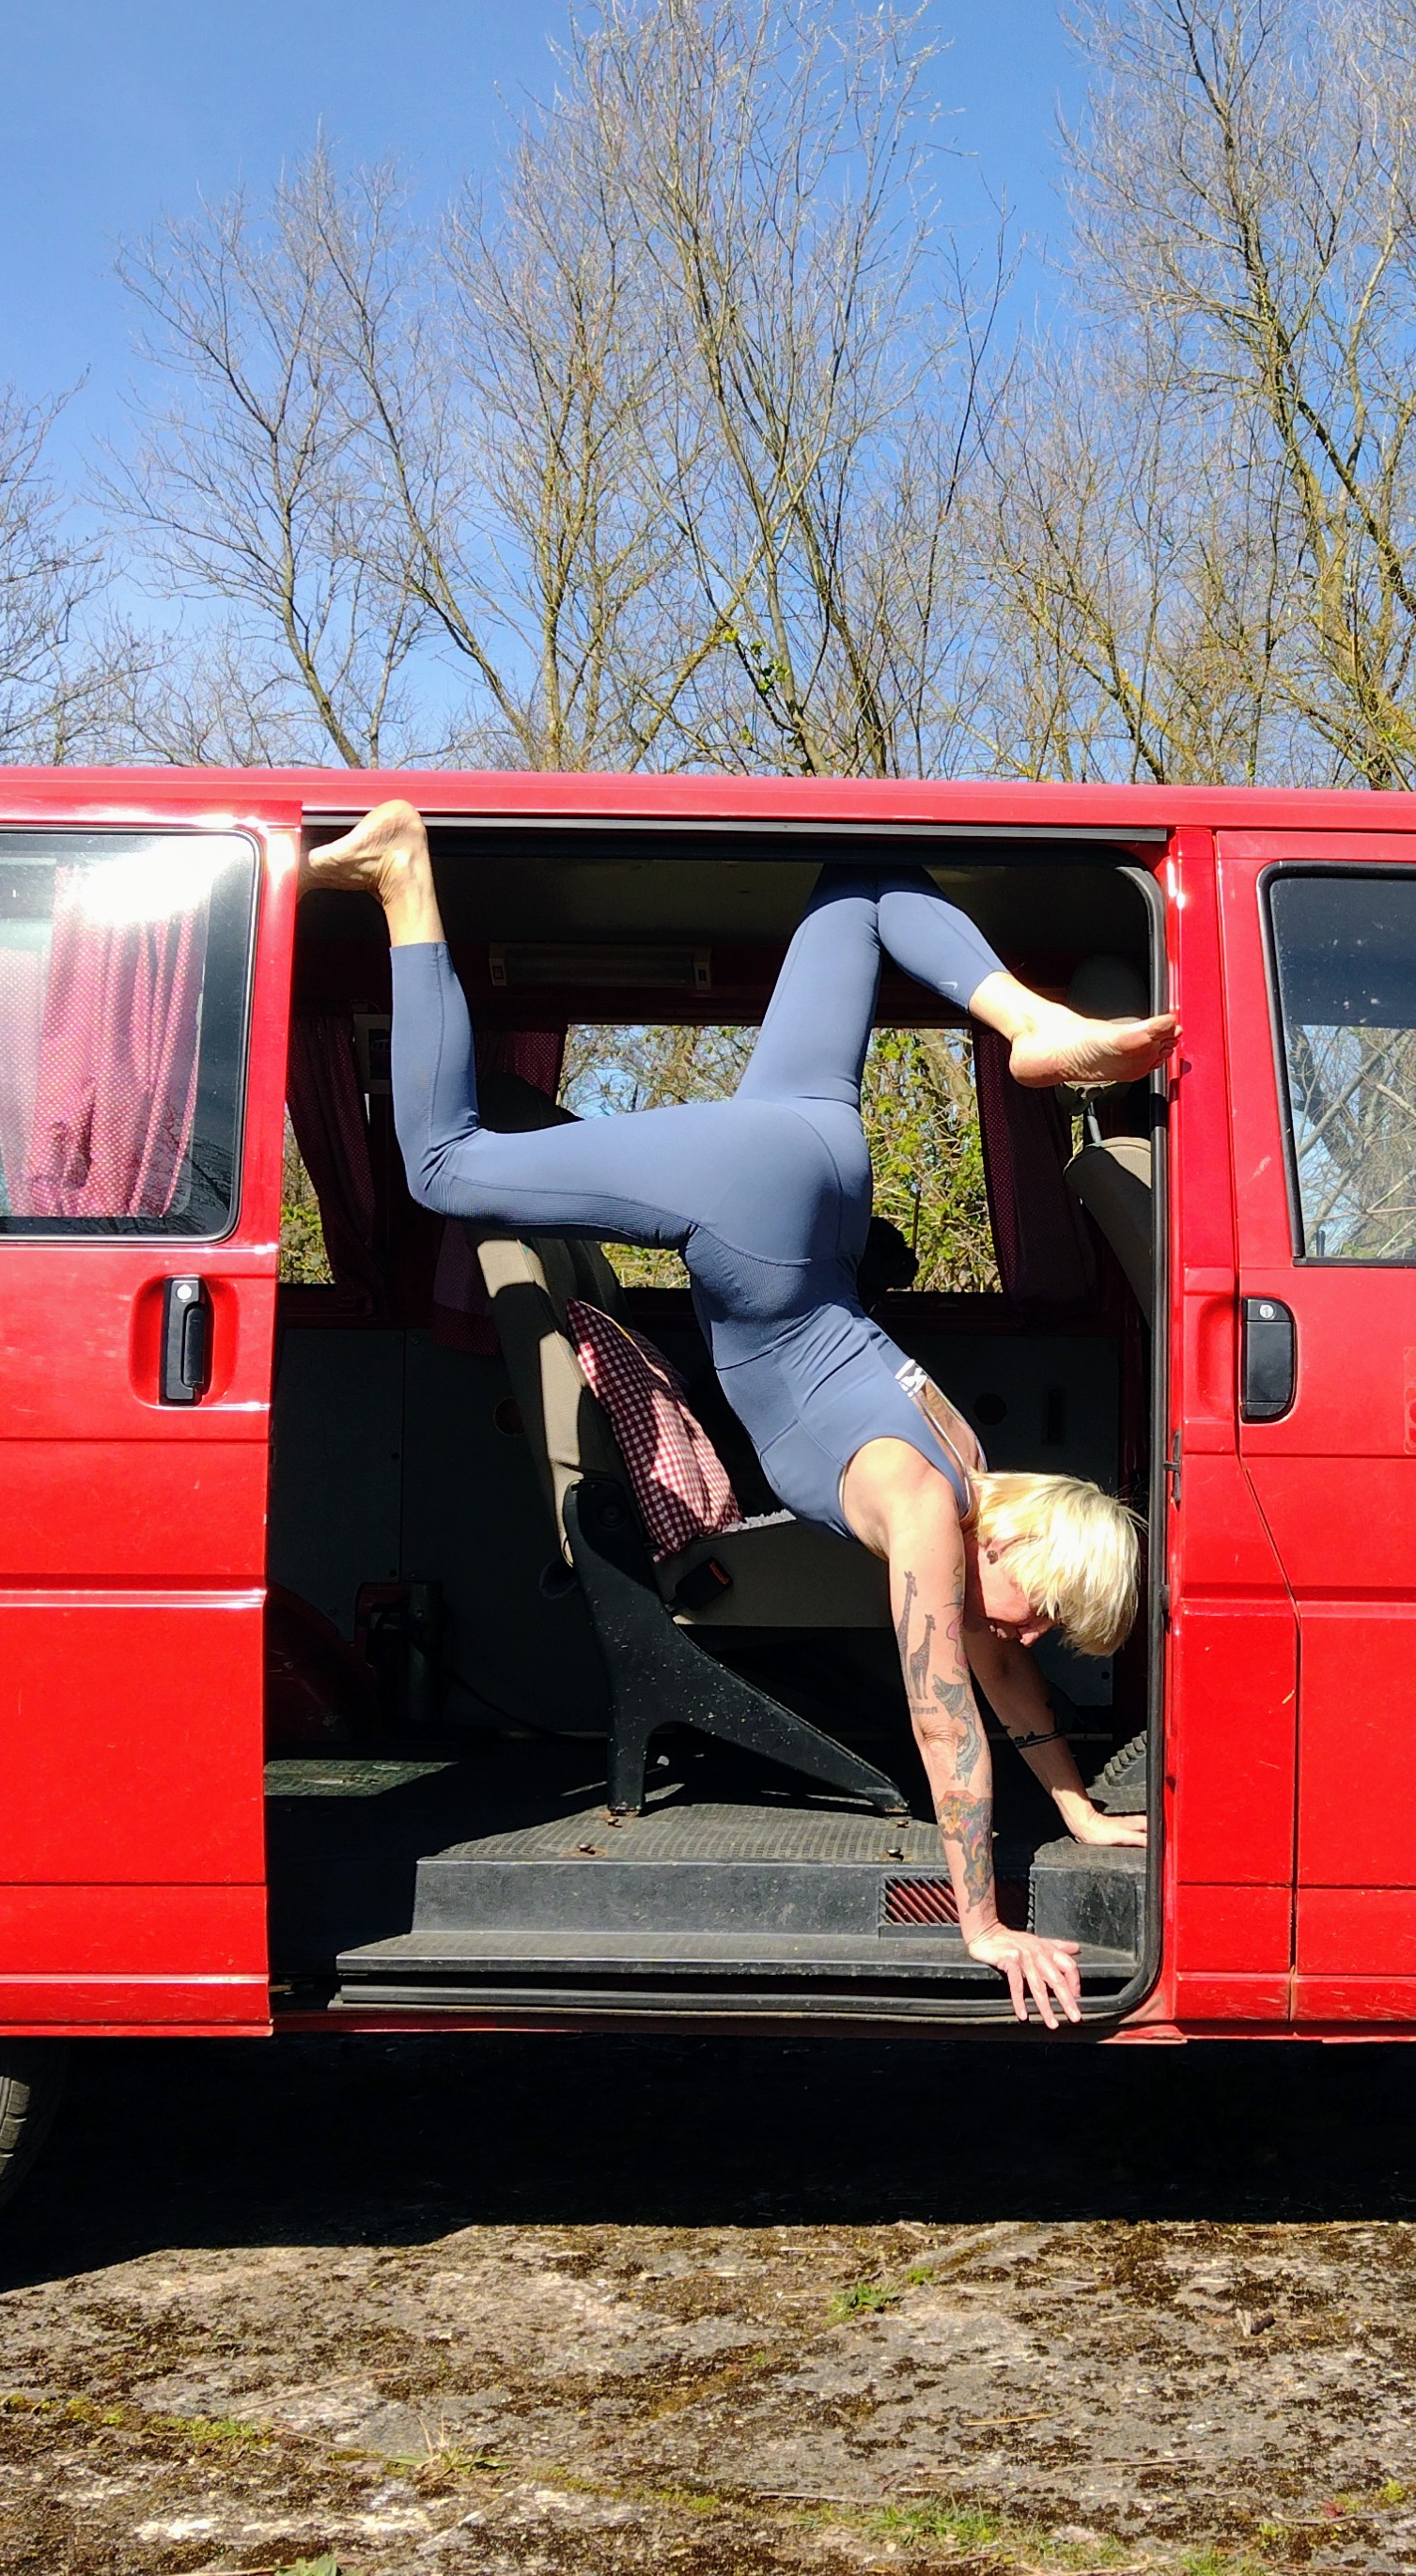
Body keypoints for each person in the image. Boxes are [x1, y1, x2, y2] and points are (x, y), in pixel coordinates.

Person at [307, 801, 1175, 2025]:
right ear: (1015, 1548)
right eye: (1050, 1618)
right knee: (445, 1165)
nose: (1031, 1642)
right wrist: (981, 1922)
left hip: (819, 1152)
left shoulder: (968, 1476)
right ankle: (403, 870)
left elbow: (994, 1673)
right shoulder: (926, 1502)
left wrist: (1080, 1808)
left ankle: (1026, 1020)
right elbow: (948, 1725)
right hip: (758, 1218)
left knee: (863, 883)